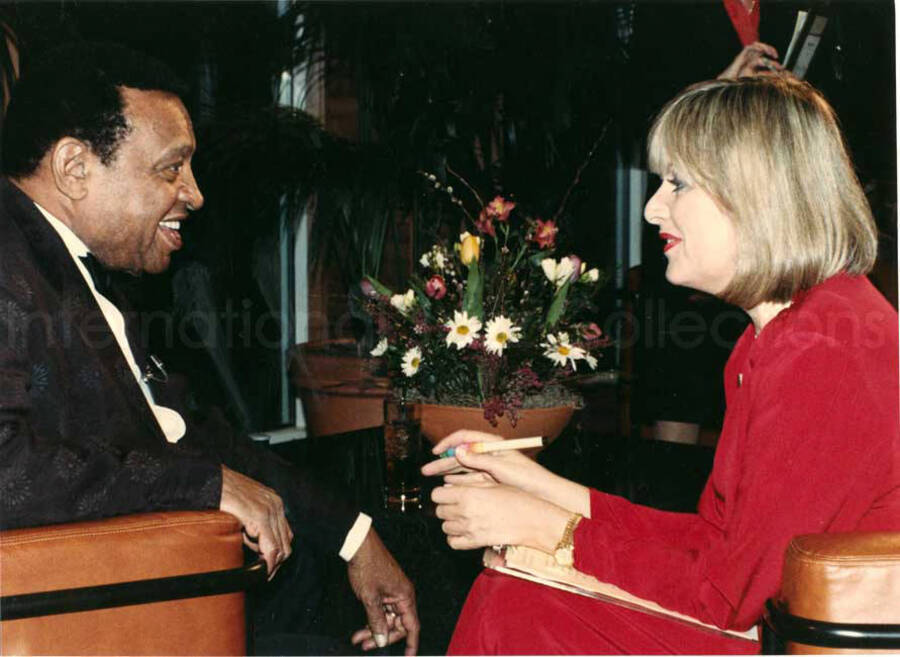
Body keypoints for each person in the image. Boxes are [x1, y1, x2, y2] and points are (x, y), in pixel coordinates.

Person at [423, 75, 899, 654]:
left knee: (514, 600)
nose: (653, 209)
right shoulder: (786, 332)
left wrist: (542, 529)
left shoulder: (825, 348)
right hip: (775, 624)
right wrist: (540, 487)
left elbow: (727, 597)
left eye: (677, 184)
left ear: (757, 191)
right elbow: (714, 543)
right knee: (514, 589)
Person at [0, 41, 417, 654]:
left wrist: (356, 536)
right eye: (171, 168)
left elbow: (193, 432)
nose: (194, 195)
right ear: (74, 168)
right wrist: (200, 486)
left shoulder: (67, 269)